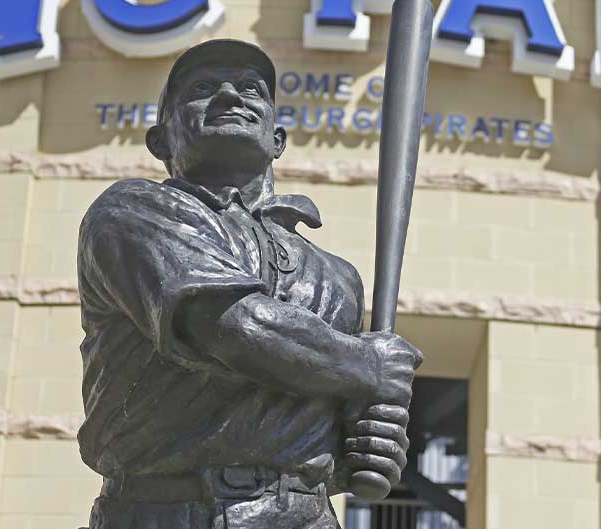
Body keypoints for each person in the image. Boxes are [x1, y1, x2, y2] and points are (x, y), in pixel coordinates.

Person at [77, 39, 423, 529]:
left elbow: (333, 430)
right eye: (202, 89)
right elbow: (223, 325)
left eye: (250, 89)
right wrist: (367, 364)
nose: (230, 96)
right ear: (160, 141)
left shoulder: (337, 278)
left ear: (277, 139)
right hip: (166, 513)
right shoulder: (132, 212)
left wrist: (372, 444)